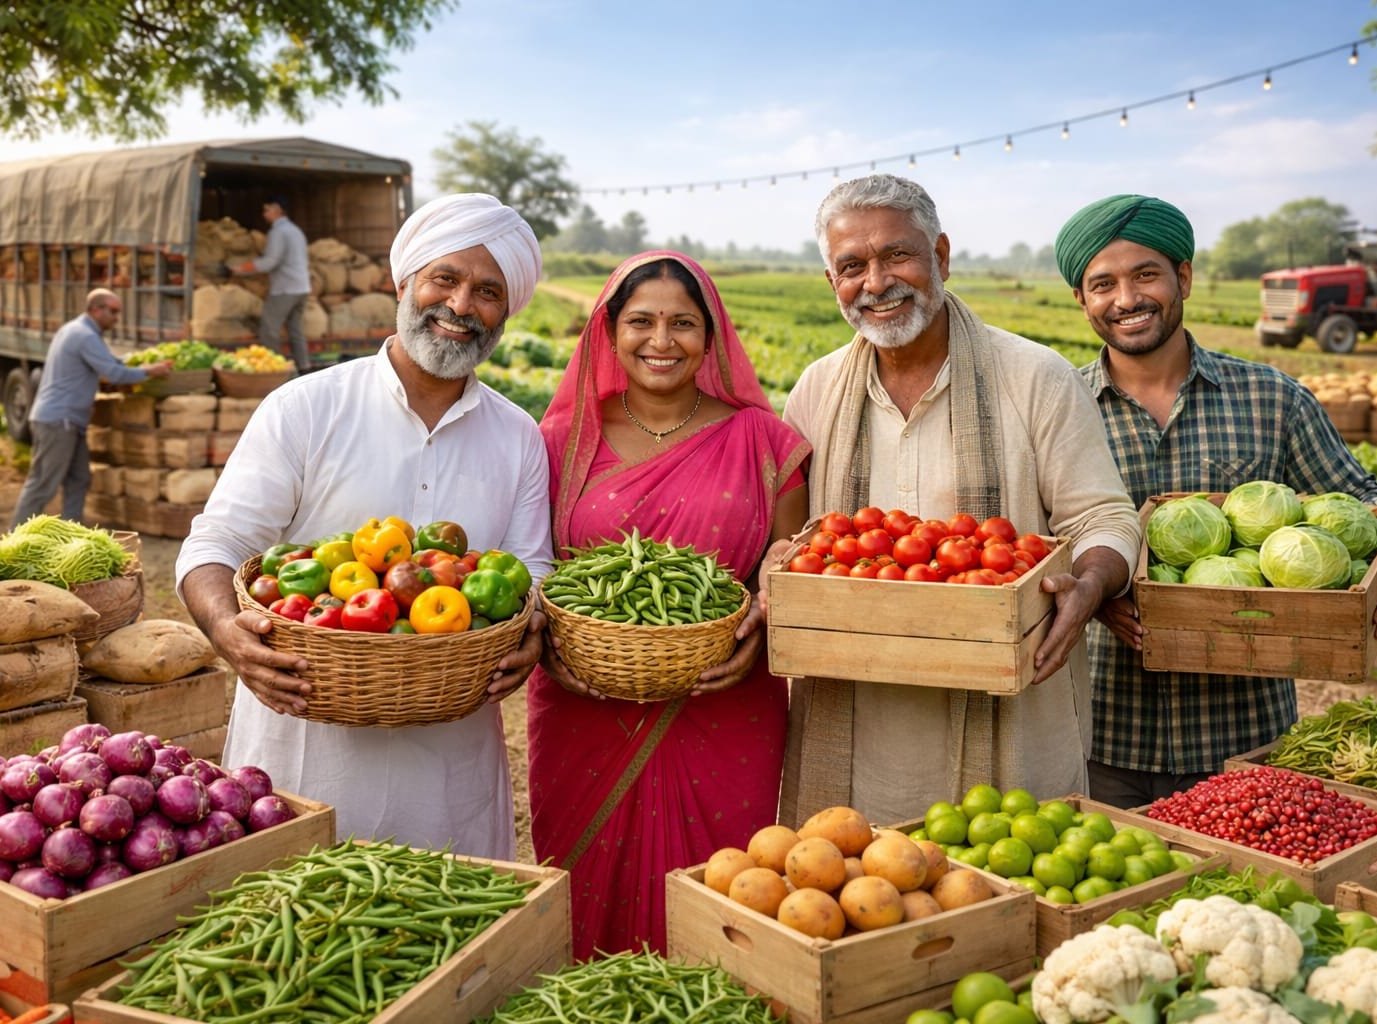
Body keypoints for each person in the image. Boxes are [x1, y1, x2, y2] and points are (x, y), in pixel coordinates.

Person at [178, 193, 553, 859]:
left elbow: (534, 568)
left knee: (451, 939)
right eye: (445, 278)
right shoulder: (305, 408)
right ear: (404, 281)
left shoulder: (519, 437)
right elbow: (216, 543)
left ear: (507, 309)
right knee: (288, 926)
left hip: (448, 756)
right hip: (302, 750)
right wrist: (225, 631)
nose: (461, 306)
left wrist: (533, 632)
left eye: (488, 291)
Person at [777, 175, 1141, 827]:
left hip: (1012, 708)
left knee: (1011, 887)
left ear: (940, 256)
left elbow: (1103, 517)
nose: (877, 282)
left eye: (897, 255)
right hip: (861, 724)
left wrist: (1090, 584)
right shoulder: (817, 390)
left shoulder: (1034, 377)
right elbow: (803, 541)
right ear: (832, 281)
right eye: (852, 266)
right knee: (856, 893)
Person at [1054, 194, 1377, 808]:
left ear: (1184, 277)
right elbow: (1029, 542)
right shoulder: (1058, 406)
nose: (1126, 299)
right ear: (1083, 299)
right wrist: (1095, 595)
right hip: (1097, 730)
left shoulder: (1272, 398)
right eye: (1103, 284)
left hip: (1242, 735)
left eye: (1146, 274)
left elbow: (1364, 499)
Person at [530, 251, 809, 959]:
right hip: (583, 703)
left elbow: (790, 565)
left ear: (711, 337)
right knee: (578, 883)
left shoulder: (765, 443)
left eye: (683, 323)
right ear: (609, 331)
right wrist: (554, 655)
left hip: (724, 701)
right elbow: (531, 571)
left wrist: (758, 631)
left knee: (723, 888)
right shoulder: (560, 441)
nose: (662, 340)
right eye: (641, 321)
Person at [11, 289, 171, 525]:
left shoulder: (75, 330)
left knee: (79, 478)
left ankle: (71, 535)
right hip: (58, 421)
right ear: (97, 309)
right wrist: (150, 371)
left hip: (68, 421)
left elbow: (111, 362)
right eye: (114, 311)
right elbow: (114, 373)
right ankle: (13, 540)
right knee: (43, 483)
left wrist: (140, 364)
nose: (117, 317)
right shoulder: (84, 335)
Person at [232, 196, 312, 373]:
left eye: (266, 210)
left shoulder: (278, 232)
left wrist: (241, 268)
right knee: (296, 331)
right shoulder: (295, 230)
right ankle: (304, 367)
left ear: (277, 210)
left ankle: (274, 371)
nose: (264, 214)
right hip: (301, 287)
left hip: (285, 289)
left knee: (269, 330)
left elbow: (270, 261)